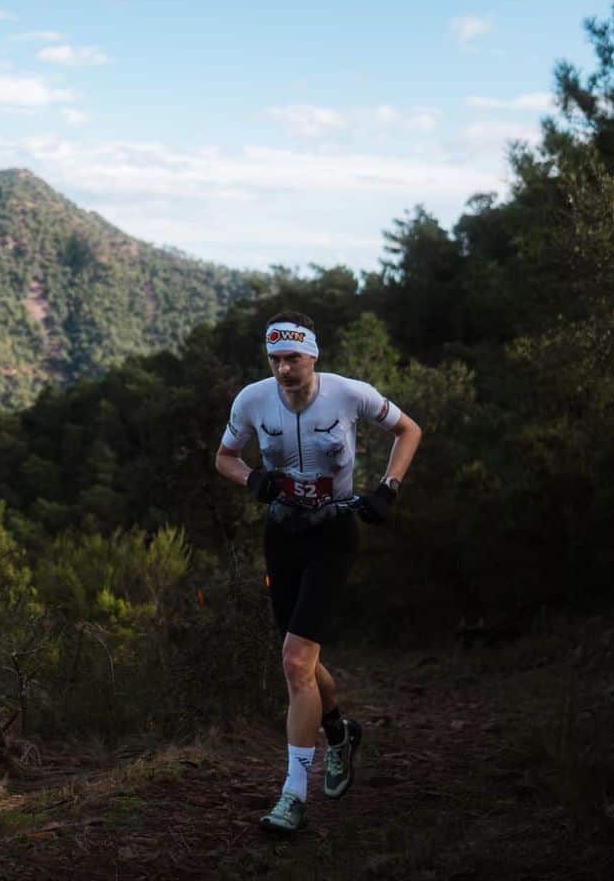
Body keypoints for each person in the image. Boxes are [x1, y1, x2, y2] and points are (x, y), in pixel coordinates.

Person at [213, 311, 422, 834]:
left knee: (295, 660)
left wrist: (388, 488)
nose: (284, 369)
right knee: (299, 662)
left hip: (333, 534)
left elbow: (409, 430)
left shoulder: (349, 394)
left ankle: (293, 796)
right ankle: (339, 731)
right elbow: (224, 457)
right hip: (282, 534)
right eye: (275, 360)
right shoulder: (252, 400)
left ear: (313, 355)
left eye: (293, 358)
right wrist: (252, 478)